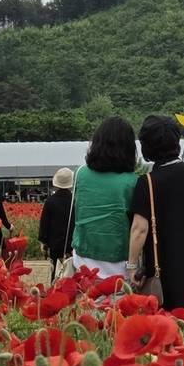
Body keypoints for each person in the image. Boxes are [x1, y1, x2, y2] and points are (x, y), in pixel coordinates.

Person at [127, 115, 184, 310]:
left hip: (165, 270)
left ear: (147, 147)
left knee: (171, 325)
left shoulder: (147, 183)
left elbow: (139, 230)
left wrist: (132, 266)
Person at [72, 117, 138, 280]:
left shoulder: (80, 174)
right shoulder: (133, 181)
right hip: (119, 258)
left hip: (83, 257)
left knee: (85, 303)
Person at [38, 167, 75, 281]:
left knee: (56, 270)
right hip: (72, 243)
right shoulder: (75, 201)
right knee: (71, 271)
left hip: (55, 243)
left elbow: (45, 224)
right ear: (71, 184)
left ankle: (55, 292)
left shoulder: (50, 201)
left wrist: (43, 242)